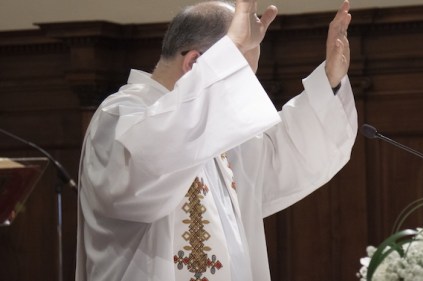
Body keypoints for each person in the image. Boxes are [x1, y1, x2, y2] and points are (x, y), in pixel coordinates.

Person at [75, 0, 356, 280]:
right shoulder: (119, 118)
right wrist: (231, 46)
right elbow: (149, 164)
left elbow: (279, 156)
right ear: (195, 63)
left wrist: (329, 82)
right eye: (238, 77)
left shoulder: (208, 130)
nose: (243, 93)